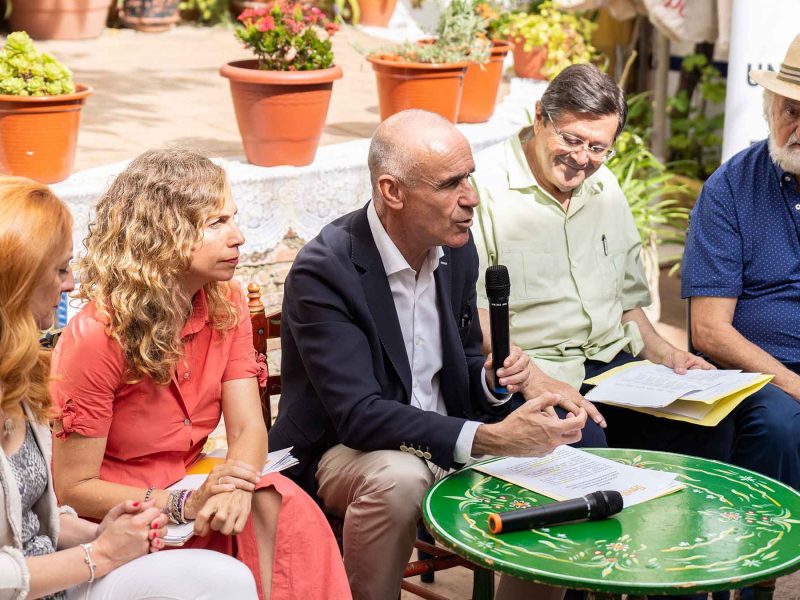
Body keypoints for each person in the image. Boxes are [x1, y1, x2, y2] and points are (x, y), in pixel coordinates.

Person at [268, 109, 597, 600]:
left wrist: (491, 382)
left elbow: (462, 364)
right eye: (449, 184)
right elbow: (359, 416)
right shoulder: (326, 269)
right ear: (392, 192)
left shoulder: (457, 251)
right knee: (400, 478)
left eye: (470, 177)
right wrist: (490, 439)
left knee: (558, 466)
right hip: (342, 452)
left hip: (445, 441)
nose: (471, 198)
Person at [48, 150, 351, 600]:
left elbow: (249, 427)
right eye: (216, 223)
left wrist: (237, 485)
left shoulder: (225, 300)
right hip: (120, 516)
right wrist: (177, 503)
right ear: (161, 236)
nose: (240, 237)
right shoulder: (97, 335)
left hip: (197, 482)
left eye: (235, 218)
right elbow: (73, 486)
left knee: (287, 506)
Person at [470, 62, 794, 481]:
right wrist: (536, 380)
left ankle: (689, 547)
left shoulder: (605, 188)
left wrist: (669, 354)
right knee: (585, 445)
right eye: (571, 140)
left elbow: (628, 309)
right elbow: (474, 319)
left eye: (599, 148)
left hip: (614, 372)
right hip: (532, 372)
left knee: (714, 431)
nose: (582, 160)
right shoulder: (485, 188)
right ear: (538, 117)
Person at [0, 175, 258, 599]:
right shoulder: (96, 335)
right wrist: (100, 554)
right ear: (18, 281)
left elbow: (36, 518)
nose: (71, 286)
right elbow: (69, 492)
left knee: (255, 536)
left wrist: (115, 531)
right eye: (61, 270)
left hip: (63, 571)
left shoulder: (20, 372)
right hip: (49, 579)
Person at [681, 34, 800, 489]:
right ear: (770, 107)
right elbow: (709, 330)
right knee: (781, 424)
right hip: (758, 376)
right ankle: (771, 553)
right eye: (791, 111)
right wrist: (793, 383)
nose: (799, 128)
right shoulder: (731, 189)